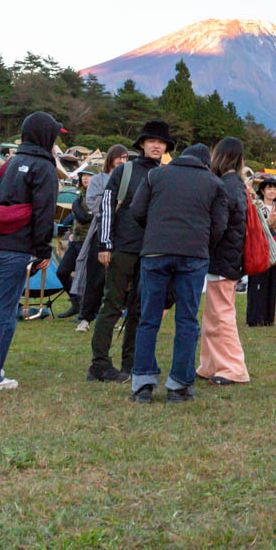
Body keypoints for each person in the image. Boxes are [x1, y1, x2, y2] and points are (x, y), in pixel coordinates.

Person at [127, 142, 229, 403]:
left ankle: (142, 384)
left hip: (155, 251)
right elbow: (220, 225)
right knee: (186, 320)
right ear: (206, 163)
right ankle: (179, 385)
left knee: (148, 317)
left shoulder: (155, 175)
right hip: (193, 254)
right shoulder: (214, 183)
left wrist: (154, 232)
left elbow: (137, 211)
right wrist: (203, 244)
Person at [0, 112, 60, 394]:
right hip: (15, 248)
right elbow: (45, 212)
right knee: (5, 311)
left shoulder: (10, 163)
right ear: (46, 136)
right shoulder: (44, 167)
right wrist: (43, 249)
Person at [91, 121, 172, 383]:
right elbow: (106, 204)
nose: (157, 145)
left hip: (150, 251)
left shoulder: (166, 175)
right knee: (112, 304)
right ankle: (99, 364)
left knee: (140, 308)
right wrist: (105, 244)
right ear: (142, 144)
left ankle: (131, 362)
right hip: (122, 248)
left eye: (161, 142)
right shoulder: (125, 171)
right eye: (151, 141)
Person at [198, 137, 249, 385]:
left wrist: (205, 247)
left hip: (221, 258)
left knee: (222, 315)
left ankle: (232, 368)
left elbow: (219, 225)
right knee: (213, 314)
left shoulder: (225, 186)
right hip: (230, 258)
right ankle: (210, 364)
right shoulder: (237, 184)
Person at [75, 145, 128, 332]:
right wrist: (113, 204)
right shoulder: (99, 179)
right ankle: (86, 317)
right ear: (111, 158)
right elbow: (93, 204)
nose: (122, 161)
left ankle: (111, 317)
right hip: (101, 230)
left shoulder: (127, 179)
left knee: (116, 278)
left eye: (125, 158)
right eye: (119, 157)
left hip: (122, 232)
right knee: (95, 275)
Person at [247, 180, 276, 327]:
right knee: (258, 282)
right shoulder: (256, 206)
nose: (272, 192)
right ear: (262, 191)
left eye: (275, 189)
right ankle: (255, 316)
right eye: (269, 188)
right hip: (259, 249)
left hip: (274, 250)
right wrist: (269, 222)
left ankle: (268, 318)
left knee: (271, 283)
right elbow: (255, 227)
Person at [55, 169, 93, 317]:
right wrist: (70, 233)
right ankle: (76, 302)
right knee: (62, 271)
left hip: (89, 241)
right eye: (84, 175)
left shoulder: (98, 195)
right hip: (76, 239)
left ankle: (87, 310)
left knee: (87, 277)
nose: (85, 178)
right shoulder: (80, 194)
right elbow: (78, 218)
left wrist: (77, 209)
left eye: (89, 176)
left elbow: (85, 217)